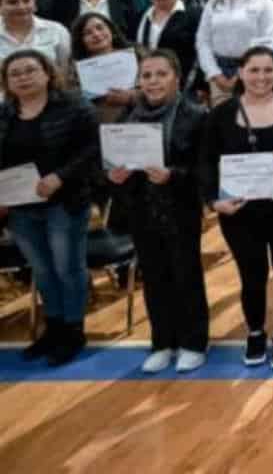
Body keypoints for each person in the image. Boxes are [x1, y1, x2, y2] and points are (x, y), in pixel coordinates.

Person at [198, 45, 273, 370]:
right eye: (254, 70)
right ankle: (256, 332)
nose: (261, 77)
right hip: (240, 212)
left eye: (268, 70)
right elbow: (206, 163)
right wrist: (213, 201)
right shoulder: (220, 114)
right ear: (240, 73)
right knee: (252, 274)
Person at [107, 48, 209, 373]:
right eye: (146, 75)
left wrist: (172, 175)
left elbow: (205, 170)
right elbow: (108, 165)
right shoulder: (128, 117)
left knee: (186, 276)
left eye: (161, 74)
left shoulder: (196, 114)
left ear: (177, 78)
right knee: (153, 278)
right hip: (141, 209)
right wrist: (114, 176)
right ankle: (163, 342)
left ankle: (194, 342)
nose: (153, 81)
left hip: (180, 208)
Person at [0, 49, 99, 366]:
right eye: (15, 73)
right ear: (6, 82)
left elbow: (93, 150)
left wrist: (60, 177)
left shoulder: (75, 106)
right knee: (41, 270)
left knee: (67, 269)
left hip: (65, 202)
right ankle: (53, 328)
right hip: (20, 206)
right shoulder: (4, 113)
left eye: (30, 70)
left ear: (47, 73)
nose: (23, 77)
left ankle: (73, 331)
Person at [195, 0, 273, 101]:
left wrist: (242, 74)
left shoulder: (265, 3)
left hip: (254, 71)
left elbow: (267, 42)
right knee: (221, 113)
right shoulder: (213, 4)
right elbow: (203, 41)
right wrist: (214, 73)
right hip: (218, 71)